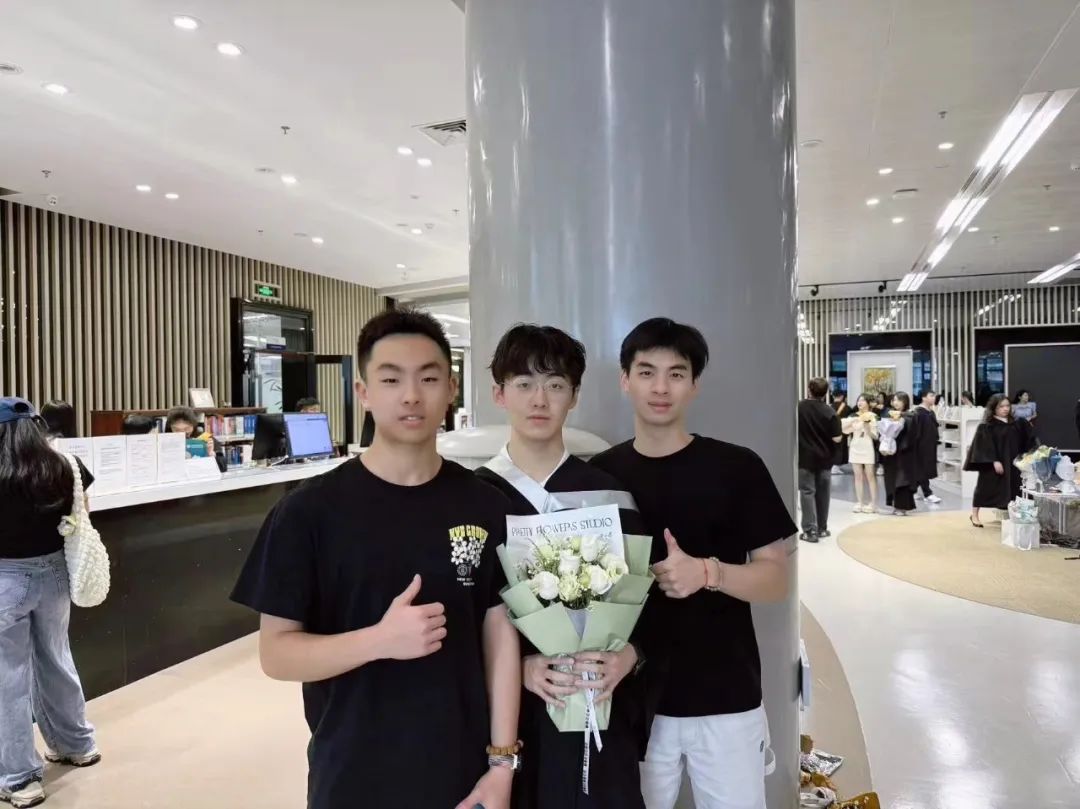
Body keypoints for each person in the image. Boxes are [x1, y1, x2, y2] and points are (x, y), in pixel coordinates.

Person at [230, 309, 521, 809]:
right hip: (352, 771)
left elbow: (499, 634)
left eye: (428, 378)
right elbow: (276, 654)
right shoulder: (307, 512)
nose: (411, 396)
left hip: (464, 771)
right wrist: (380, 640)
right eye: (391, 379)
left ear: (451, 389)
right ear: (363, 392)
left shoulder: (486, 503)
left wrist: (502, 764)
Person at [591, 317, 795, 809]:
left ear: (694, 384)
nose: (661, 388)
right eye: (646, 372)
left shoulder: (737, 467)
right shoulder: (598, 476)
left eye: (676, 374)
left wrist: (709, 572)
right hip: (630, 697)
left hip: (725, 696)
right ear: (625, 380)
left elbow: (777, 579)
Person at [475, 324, 649, 809]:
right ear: (499, 394)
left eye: (555, 385)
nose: (540, 399)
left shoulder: (610, 494)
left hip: (599, 706)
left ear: (574, 396)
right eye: (524, 384)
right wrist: (517, 669)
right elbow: (463, 610)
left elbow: (647, 604)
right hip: (511, 720)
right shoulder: (473, 498)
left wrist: (629, 656)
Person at [0, 398, 100, 808]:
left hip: (6, 579)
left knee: (8, 677)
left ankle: (19, 778)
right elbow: (81, 513)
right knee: (56, 658)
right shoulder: (65, 466)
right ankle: (77, 744)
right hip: (55, 575)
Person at [965, 394, 1035, 528]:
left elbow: (1029, 439)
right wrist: (994, 460)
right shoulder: (987, 426)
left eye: (1007, 406)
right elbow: (984, 446)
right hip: (994, 464)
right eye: (1001, 406)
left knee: (1017, 487)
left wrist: (1029, 455)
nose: (1005, 409)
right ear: (994, 408)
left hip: (1014, 463)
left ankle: (1019, 516)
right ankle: (974, 515)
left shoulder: (1017, 423)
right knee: (984, 488)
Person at [796, 378, 843, 543]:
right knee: (823, 494)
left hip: (805, 458)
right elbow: (837, 438)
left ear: (809, 389)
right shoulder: (830, 412)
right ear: (826, 393)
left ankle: (810, 531)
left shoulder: (799, 408)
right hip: (825, 459)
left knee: (807, 492)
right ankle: (822, 528)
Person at [880, 392, 919, 516]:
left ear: (905, 401)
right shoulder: (890, 414)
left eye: (899, 400)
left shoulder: (911, 415)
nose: (896, 403)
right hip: (892, 452)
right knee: (892, 478)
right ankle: (895, 505)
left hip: (904, 453)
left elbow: (912, 435)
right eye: (894, 400)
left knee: (902, 480)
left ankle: (902, 506)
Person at [842, 394, 879, 514]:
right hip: (855, 446)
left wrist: (867, 427)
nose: (860, 402)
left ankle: (873, 503)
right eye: (859, 400)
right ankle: (859, 502)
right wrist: (852, 423)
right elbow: (845, 431)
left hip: (867, 446)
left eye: (863, 400)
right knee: (858, 476)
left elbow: (875, 436)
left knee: (870, 476)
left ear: (868, 403)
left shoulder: (873, 416)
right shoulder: (853, 416)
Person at [913, 389, 943, 504]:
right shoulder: (918, 413)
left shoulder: (931, 412)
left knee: (923, 470)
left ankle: (912, 490)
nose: (934, 398)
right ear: (924, 397)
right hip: (921, 446)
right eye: (931, 395)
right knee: (922, 469)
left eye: (934, 396)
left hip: (930, 445)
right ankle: (928, 493)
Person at [830, 391, 852, 474]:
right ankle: (836, 466)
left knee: (833, 448)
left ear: (833, 396)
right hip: (843, 431)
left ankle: (833, 465)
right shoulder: (846, 407)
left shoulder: (829, 407)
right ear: (842, 396)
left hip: (832, 431)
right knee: (841, 448)